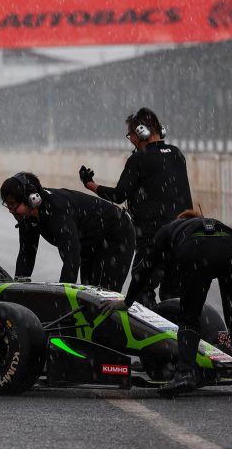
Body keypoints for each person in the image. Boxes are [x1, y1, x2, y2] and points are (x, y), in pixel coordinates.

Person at [100, 210, 232, 399]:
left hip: (196, 249)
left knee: (189, 317)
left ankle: (185, 373)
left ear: (179, 220)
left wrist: (127, 301)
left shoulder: (168, 229)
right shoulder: (214, 224)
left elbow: (145, 268)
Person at [79, 108, 192, 303]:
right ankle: (175, 331)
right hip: (181, 233)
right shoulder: (176, 154)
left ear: (141, 132)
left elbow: (119, 194)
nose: (130, 139)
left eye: (130, 135)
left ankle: (150, 332)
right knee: (174, 296)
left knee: (141, 291)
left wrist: (91, 184)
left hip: (152, 237)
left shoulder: (139, 159)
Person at [0, 172, 135, 290]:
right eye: (7, 204)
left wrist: (62, 299)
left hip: (117, 235)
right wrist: (18, 288)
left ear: (32, 199)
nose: (10, 210)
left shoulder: (57, 211)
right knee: (88, 299)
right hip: (89, 243)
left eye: (13, 204)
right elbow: (26, 254)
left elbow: (71, 259)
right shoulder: (27, 216)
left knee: (104, 299)